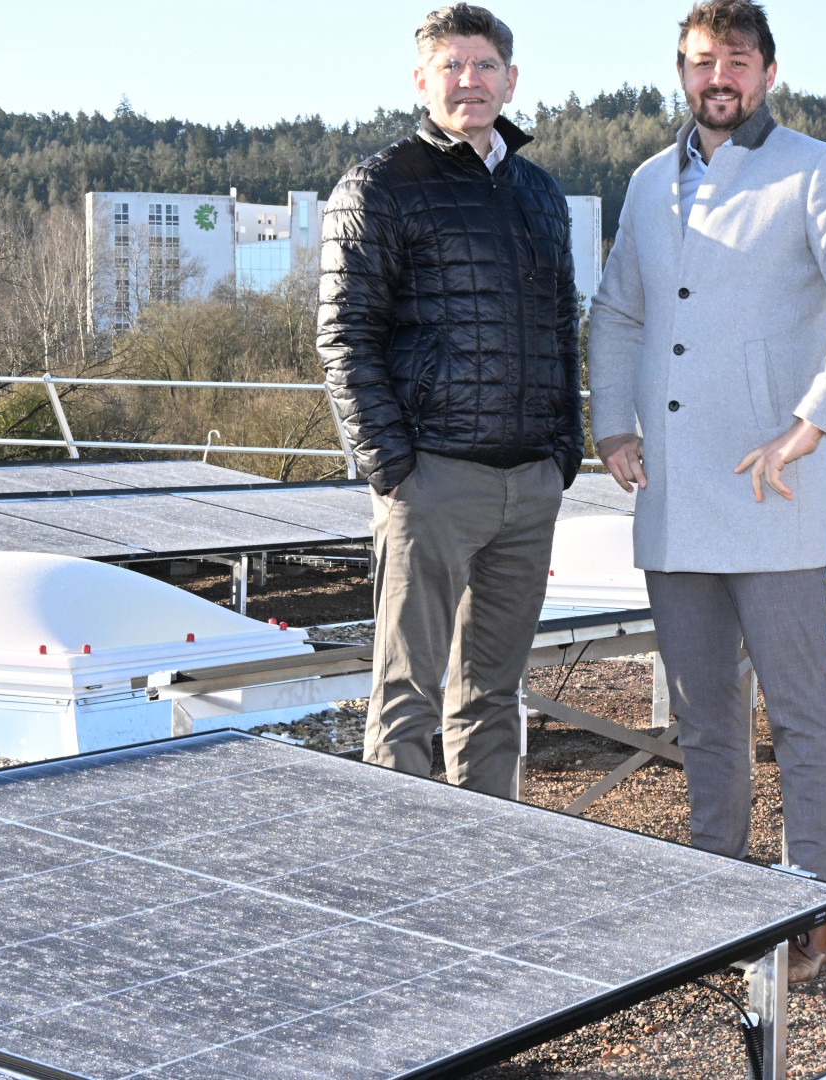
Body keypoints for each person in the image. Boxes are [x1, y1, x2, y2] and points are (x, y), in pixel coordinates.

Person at [587, 0, 826, 982]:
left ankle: (811, 904)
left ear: (767, 71)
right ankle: (718, 891)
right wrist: (610, 422)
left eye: (734, 60)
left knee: (800, 716)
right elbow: (616, 313)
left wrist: (813, 420)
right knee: (705, 717)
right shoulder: (648, 182)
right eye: (698, 63)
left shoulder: (820, 170)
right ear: (681, 75)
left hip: (774, 496)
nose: (715, 77)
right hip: (677, 501)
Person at [318, 3, 582, 797]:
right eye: (452, 65)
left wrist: (564, 452)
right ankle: (400, 883)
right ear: (421, 79)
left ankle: (485, 866)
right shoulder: (379, 186)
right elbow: (345, 337)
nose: (470, 80)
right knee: (406, 698)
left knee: (495, 697)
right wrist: (392, 467)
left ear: (511, 77)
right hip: (432, 480)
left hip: (529, 482)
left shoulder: (539, 192)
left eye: (485, 65)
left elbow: (564, 325)